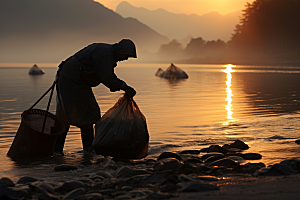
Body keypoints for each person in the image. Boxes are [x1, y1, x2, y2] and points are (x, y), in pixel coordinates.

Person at [54, 39, 137, 154]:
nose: (125, 59)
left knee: (86, 112)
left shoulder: (107, 53)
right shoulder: (105, 53)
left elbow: (106, 76)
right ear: (121, 50)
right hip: (71, 79)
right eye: (126, 56)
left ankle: (84, 149)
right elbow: (106, 76)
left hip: (77, 80)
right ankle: (63, 150)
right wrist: (125, 87)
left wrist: (119, 86)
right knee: (70, 113)